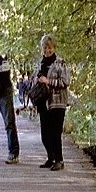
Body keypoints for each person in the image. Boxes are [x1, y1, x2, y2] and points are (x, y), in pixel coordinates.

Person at [31, 35, 70, 171]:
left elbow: (65, 82)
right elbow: (33, 79)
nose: (47, 50)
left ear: (54, 48)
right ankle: (50, 158)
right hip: (43, 102)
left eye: (49, 47)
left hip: (57, 102)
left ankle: (59, 160)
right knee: (45, 134)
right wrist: (36, 80)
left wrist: (48, 82)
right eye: (45, 47)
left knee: (55, 133)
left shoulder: (60, 63)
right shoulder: (39, 63)